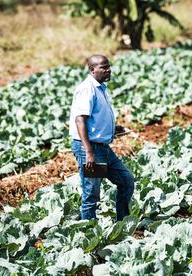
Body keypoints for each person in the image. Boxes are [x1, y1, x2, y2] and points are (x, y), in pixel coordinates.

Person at [69, 54, 134, 221]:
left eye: (108, 66)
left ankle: (122, 222)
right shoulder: (87, 88)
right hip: (90, 148)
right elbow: (80, 120)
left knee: (126, 181)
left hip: (103, 148)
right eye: (103, 67)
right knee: (91, 194)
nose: (108, 70)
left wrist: (114, 129)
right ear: (92, 70)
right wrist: (89, 152)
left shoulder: (100, 88)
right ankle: (88, 233)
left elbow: (96, 118)